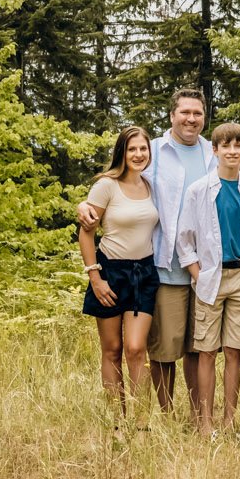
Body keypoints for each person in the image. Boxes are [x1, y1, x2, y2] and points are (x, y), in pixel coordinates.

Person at [77, 89, 213, 412]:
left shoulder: (214, 153)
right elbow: (104, 195)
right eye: (185, 112)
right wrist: (83, 206)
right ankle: (142, 419)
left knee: (192, 348)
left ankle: (188, 419)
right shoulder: (153, 151)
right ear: (172, 116)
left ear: (204, 117)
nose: (191, 119)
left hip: (196, 269)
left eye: (197, 113)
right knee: (149, 351)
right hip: (149, 270)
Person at [174, 121, 240, 435]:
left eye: (237, 146)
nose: (232, 151)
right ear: (214, 150)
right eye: (225, 146)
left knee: (233, 350)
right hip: (210, 279)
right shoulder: (199, 190)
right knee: (206, 352)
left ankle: (229, 423)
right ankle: (205, 423)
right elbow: (184, 240)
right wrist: (197, 274)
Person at [78, 126, 160, 422]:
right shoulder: (106, 186)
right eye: (132, 149)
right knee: (112, 350)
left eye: (143, 149)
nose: (138, 154)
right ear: (121, 153)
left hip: (144, 273)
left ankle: (141, 425)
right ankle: (117, 422)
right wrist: (95, 278)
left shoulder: (151, 185)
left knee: (137, 348)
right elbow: (85, 233)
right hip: (111, 272)